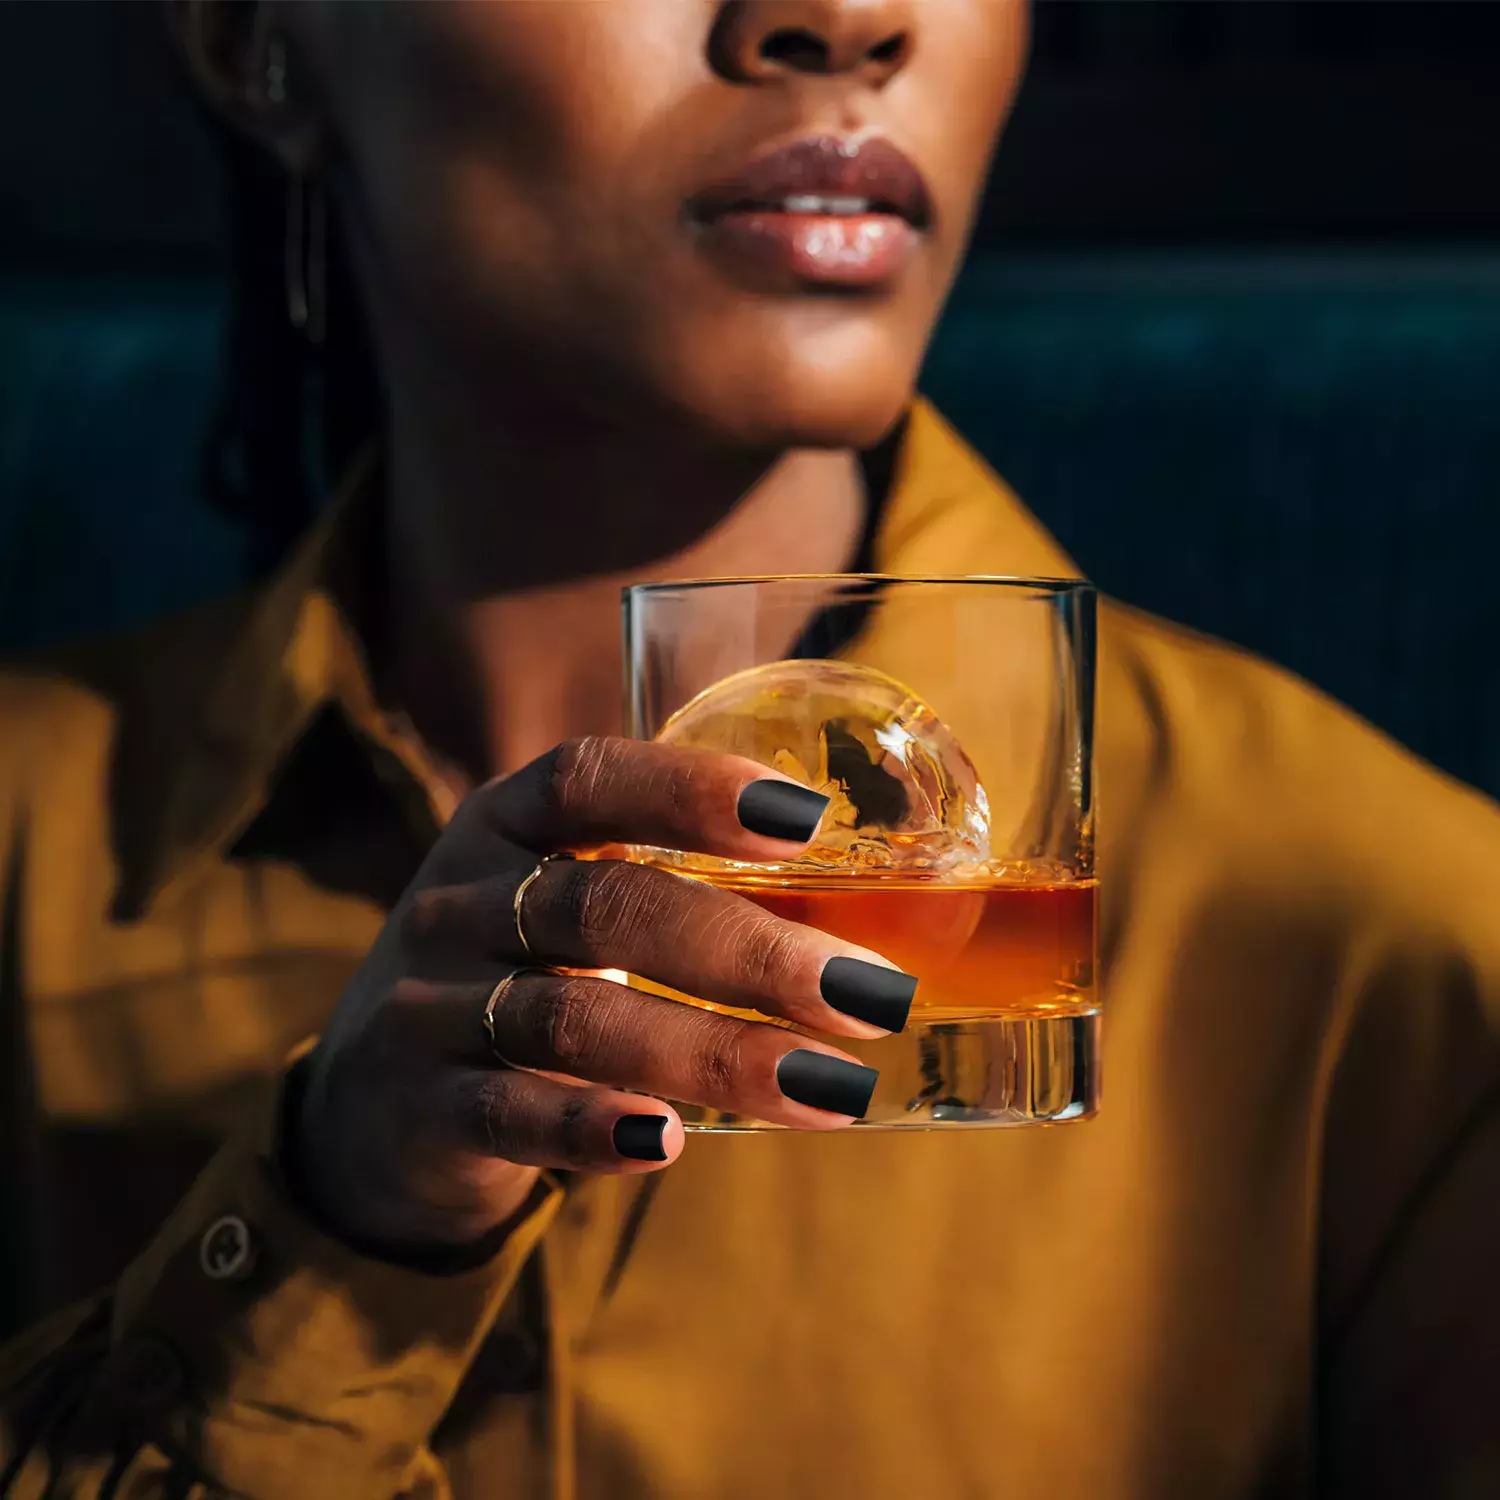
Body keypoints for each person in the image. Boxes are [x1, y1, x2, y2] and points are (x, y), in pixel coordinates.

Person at [1, 2, 1497, 1497]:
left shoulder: (1406, 942)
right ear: (253, 41)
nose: (846, 18)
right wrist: (324, 1237)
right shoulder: (30, 837)